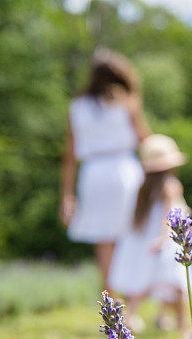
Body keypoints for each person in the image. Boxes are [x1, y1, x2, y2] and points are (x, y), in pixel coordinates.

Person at [60, 49, 150, 289]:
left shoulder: (77, 106)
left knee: (104, 240)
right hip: (124, 170)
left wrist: (67, 196)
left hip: (93, 174)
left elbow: (69, 156)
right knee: (129, 236)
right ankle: (130, 305)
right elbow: (146, 141)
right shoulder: (126, 102)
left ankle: (111, 302)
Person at [108, 134, 192, 335]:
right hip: (168, 241)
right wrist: (164, 239)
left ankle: (134, 318)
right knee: (177, 285)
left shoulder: (142, 187)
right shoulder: (170, 185)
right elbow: (169, 215)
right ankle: (183, 326)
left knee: (143, 283)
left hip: (146, 241)